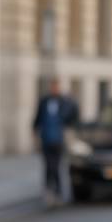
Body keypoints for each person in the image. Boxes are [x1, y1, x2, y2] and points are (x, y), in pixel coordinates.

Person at [32, 78, 79, 206]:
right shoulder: (44, 101)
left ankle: (58, 191)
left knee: (56, 166)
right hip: (46, 138)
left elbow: (72, 117)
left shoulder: (64, 102)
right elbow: (37, 119)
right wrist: (35, 134)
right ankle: (48, 190)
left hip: (59, 139)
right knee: (48, 165)